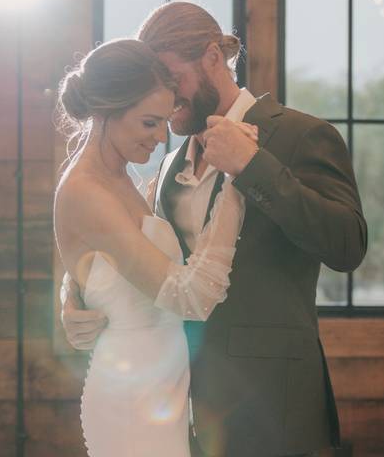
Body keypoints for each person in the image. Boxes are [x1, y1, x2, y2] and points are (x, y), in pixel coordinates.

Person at [61, 2, 368, 456]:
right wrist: (78, 292)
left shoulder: (302, 136)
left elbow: (348, 246)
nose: (167, 95)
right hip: (181, 406)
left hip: (273, 407)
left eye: (171, 77)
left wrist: (251, 167)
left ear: (211, 58)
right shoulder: (165, 167)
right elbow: (129, 248)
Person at [54, 38, 251, 456]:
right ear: (108, 112)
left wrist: (74, 288)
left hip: (161, 389)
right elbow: (189, 296)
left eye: (164, 121)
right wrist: (236, 184)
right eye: (148, 123)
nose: (162, 138)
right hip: (132, 397)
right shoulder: (86, 190)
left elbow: (103, 265)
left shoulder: (121, 176)